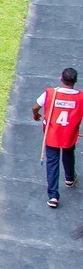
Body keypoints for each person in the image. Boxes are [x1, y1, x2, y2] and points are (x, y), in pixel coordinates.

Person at [33, 68, 81, 209]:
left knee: (52, 163)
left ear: (61, 79)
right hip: (69, 134)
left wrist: (36, 115)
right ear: (75, 81)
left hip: (53, 134)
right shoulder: (81, 97)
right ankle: (69, 179)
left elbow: (35, 107)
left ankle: (53, 196)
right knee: (68, 154)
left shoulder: (51, 93)